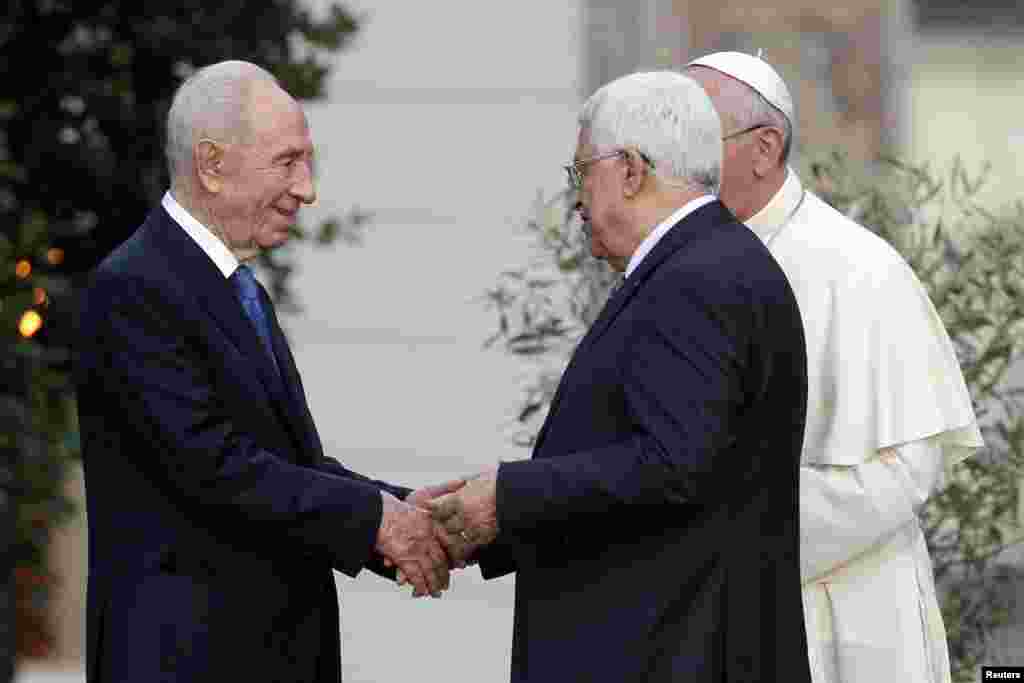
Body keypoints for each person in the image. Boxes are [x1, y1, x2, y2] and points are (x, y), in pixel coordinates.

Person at [75, 60, 460, 682]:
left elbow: (284, 462)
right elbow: (212, 466)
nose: (307, 189)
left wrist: (399, 507)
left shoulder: (233, 288)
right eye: (288, 162)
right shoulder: (135, 288)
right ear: (212, 164)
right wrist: (376, 522)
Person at [429, 71, 812, 682]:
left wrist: (506, 497)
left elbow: (671, 465)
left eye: (581, 172)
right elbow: (645, 469)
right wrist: (491, 521)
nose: (576, 199)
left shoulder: (696, 278)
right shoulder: (710, 263)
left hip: (670, 652)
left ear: (631, 169)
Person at [685, 51, 984, 683]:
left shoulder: (858, 268)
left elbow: (907, 462)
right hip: (712, 610)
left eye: (693, 136)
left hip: (844, 608)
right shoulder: (678, 268)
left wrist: (731, 540)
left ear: (764, 148)